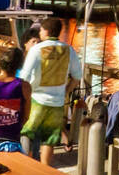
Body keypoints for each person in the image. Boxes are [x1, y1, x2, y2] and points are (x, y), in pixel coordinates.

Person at [19, 17, 82, 166]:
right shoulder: (69, 50)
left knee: (27, 133)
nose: (39, 32)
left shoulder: (36, 50)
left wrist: (24, 97)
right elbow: (77, 77)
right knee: (49, 139)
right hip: (57, 102)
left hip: (37, 99)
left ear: (46, 31)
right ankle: (45, 170)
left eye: (41, 30)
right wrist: (66, 91)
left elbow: (24, 77)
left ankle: (25, 166)